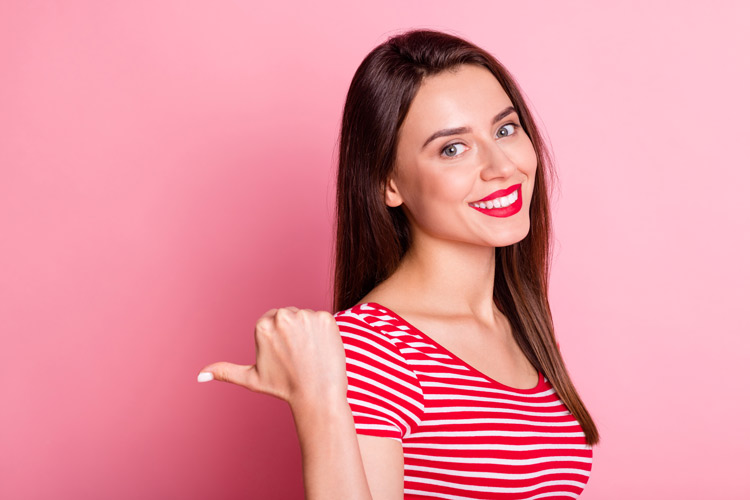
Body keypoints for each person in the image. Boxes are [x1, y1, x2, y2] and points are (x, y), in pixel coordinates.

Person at [197, 28, 600, 499]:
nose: (501, 166)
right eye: (453, 148)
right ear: (389, 183)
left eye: (505, 129)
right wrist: (323, 403)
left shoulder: (523, 326)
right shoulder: (373, 349)